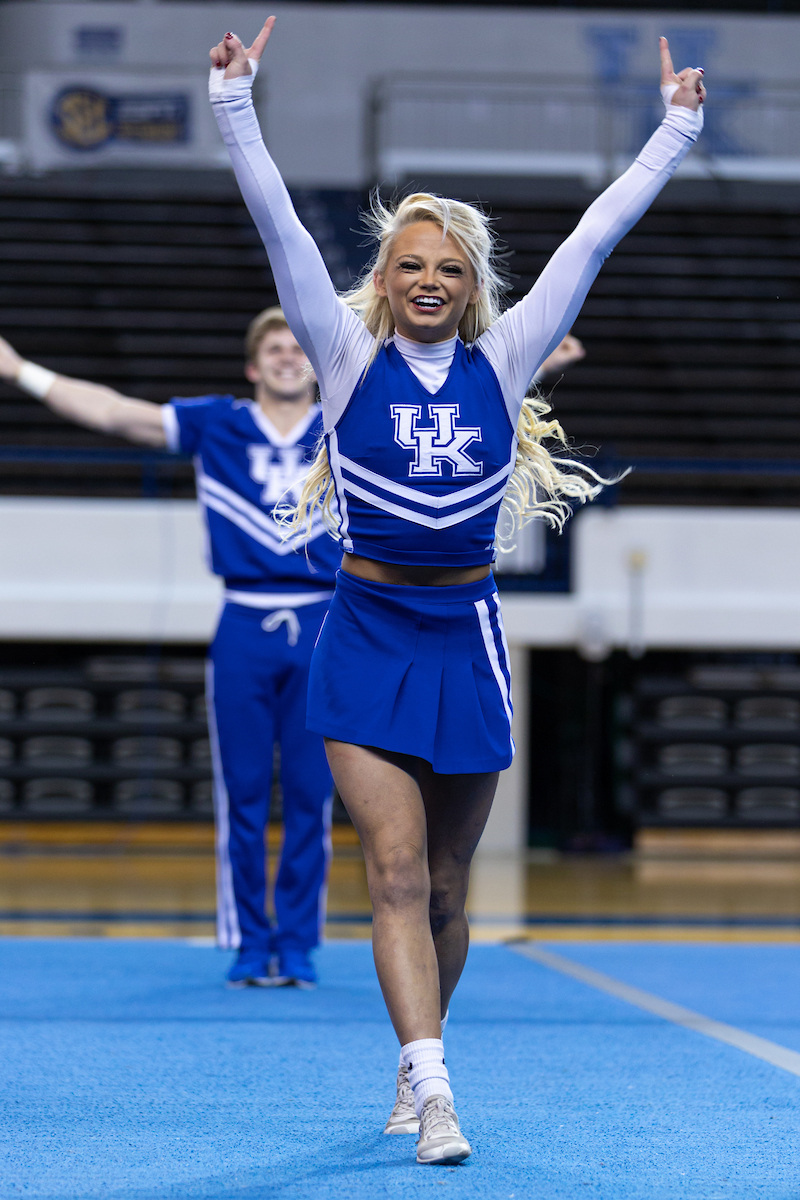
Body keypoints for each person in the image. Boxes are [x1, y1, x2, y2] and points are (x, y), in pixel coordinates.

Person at [208, 20, 705, 1163]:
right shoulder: (343, 356)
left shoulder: (506, 358)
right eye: (409, 266)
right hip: (366, 631)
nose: (427, 281)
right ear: (380, 282)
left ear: (472, 287)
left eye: (448, 269)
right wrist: (234, 105)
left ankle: (411, 1054)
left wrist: (673, 130)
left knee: (441, 886)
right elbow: (279, 226)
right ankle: (434, 1091)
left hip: (464, 635)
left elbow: (593, 236)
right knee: (388, 869)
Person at [0, 307, 341, 989]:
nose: (286, 357)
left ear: (315, 364)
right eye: (273, 348)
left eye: (297, 347)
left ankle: (299, 942)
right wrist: (20, 372)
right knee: (242, 793)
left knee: (314, 795)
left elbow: (435, 408)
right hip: (243, 620)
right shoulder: (219, 423)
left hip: (323, 621)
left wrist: (533, 365)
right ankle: (250, 941)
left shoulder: (344, 421)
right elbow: (115, 413)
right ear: (252, 367)